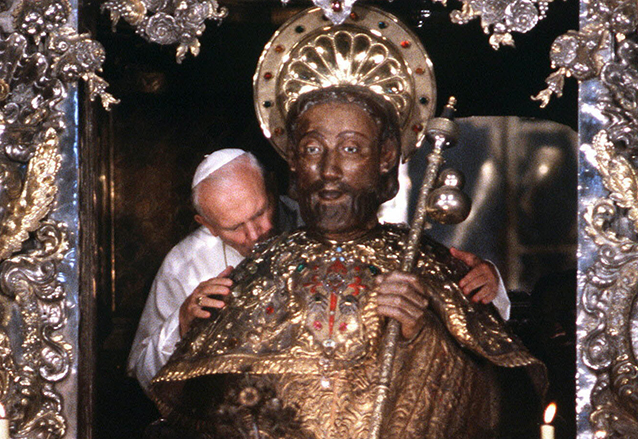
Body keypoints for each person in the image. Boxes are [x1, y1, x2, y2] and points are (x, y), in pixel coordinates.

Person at [149, 85, 546, 438]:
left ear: (386, 156)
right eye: (312, 149)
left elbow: (496, 403)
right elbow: (194, 407)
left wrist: (422, 338)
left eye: (351, 148)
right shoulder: (254, 268)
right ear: (292, 160)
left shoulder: (424, 261)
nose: (329, 171)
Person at [129, 147, 510, 392]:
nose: (255, 233)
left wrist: (489, 282)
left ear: (272, 188)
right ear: (207, 225)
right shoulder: (185, 265)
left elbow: (471, 319)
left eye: (261, 213)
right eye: (233, 228)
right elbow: (146, 377)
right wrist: (179, 323)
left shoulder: (330, 228)